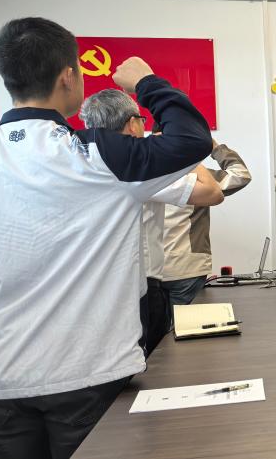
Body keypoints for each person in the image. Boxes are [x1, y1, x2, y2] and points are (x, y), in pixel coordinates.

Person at [0, 17, 212, 458]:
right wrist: (147, 82)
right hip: (91, 374)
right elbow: (192, 139)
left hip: (4, 375)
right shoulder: (98, 155)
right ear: (68, 76)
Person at [79, 89, 224, 355]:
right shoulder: (136, 166)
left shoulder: (77, 163)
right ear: (133, 124)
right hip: (140, 286)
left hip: (90, 288)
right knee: (154, 363)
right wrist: (181, 157)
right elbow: (212, 193)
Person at [160, 140, 251, 306]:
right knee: (187, 321)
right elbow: (241, 174)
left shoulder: (137, 177)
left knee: (154, 322)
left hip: (148, 270)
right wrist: (213, 147)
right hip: (188, 267)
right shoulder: (199, 179)